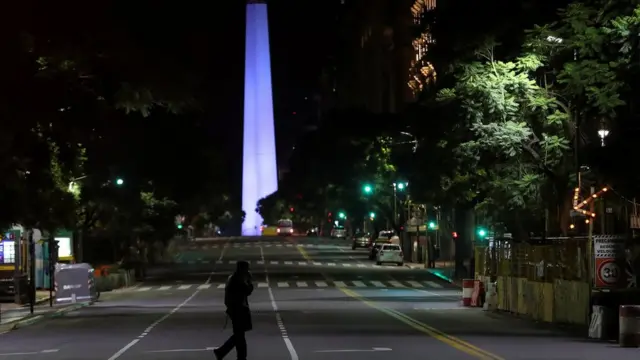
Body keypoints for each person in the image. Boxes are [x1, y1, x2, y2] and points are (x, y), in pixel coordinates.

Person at [214, 260, 254, 360]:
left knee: (239, 335)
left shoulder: (234, 278)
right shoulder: (238, 280)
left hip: (236, 310)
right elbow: (247, 291)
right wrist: (250, 282)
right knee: (239, 335)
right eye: (246, 268)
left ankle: (223, 352)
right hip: (238, 310)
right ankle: (236, 355)